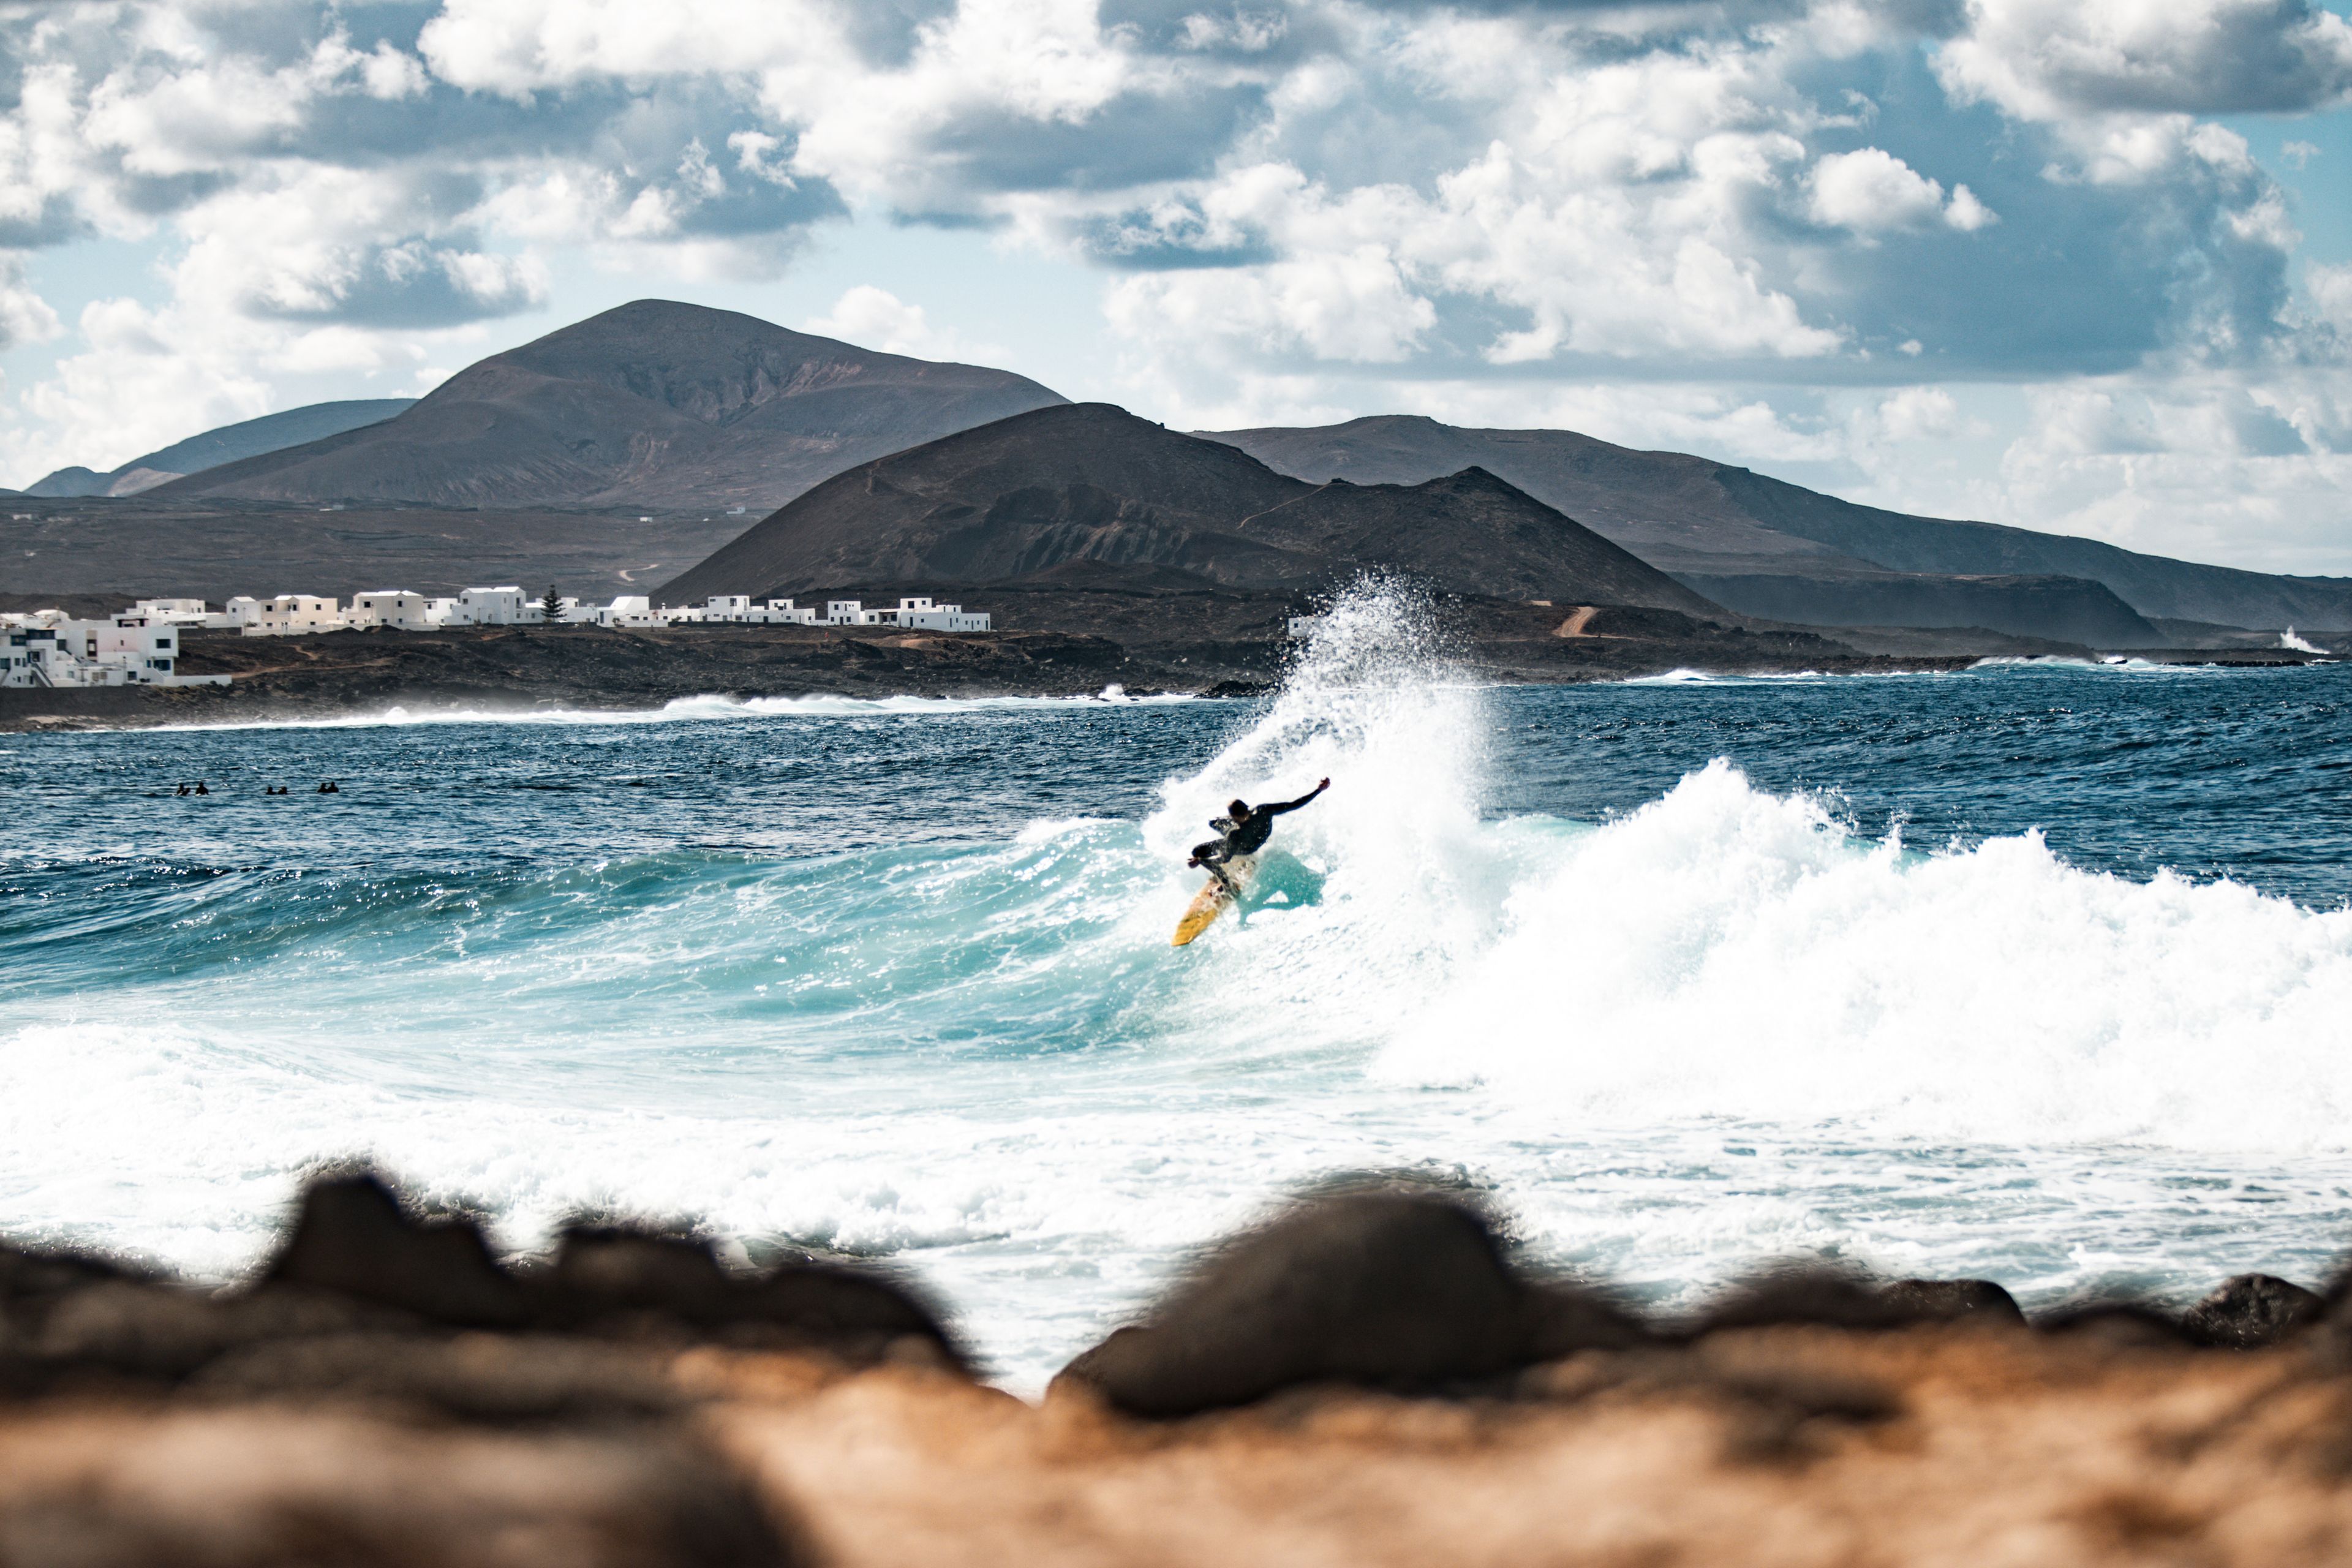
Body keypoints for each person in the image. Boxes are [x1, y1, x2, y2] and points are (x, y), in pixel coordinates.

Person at [1188, 777, 1330, 894]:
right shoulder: (1263, 811)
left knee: (1198, 849)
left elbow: (1224, 859)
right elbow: (1294, 805)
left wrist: (1200, 861)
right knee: (1215, 823)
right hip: (1256, 841)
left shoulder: (1234, 834)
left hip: (1243, 849)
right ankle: (1228, 874)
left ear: (1234, 817)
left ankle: (1226, 885)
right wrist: (1318, 790)